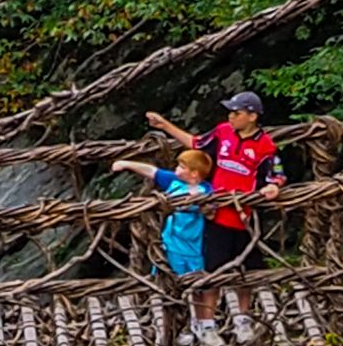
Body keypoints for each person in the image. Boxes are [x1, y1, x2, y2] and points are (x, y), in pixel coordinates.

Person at [147, 83, 284, 295]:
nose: (231, 117)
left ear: (252, 116)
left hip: (244, 216)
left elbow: (276, 173)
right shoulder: (222, 132)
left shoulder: (265, 144)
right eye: (230, 112)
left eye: (236, 113)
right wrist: (165, 125)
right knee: (211, 274)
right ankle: (206, 323)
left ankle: (243, 318)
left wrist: (274, 186)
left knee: (246, 273)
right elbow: (196, 143)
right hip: (217, 215)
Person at [116, 139, 228, 323]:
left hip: (196, 246)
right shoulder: (174, 182)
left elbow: (212, 210)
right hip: (173, 243)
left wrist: (203, 203)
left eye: (181, 166)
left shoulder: (207, 190)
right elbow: (152, 172)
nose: (177, 168)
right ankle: (182, 322)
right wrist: (126, 164)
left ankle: (202, 322)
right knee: (175, 283)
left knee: (199, 283)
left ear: (194, 174)